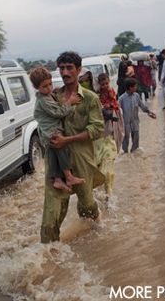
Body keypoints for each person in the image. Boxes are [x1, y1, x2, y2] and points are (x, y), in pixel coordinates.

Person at [40, 51, 105, 243]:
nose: (65, 72)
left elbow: (97, 129)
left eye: (69, 68)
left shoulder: (90, 98)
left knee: (87, 204)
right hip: (57, 164)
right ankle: (49, 251)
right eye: (61, 68)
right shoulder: (52, 97)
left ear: (78, 70)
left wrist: (66, 141)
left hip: (81, 159)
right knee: (52, 212)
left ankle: (97, 232)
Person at [30, 67, 85, 193]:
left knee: (53, 154)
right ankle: (69, 177)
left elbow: (52, 98)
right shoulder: (44, 101)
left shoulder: (46, 96)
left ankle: (57, 180)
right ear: (37, 87)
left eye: (50, 84)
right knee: (61, 149)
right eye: (45, 86)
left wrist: (54, 93)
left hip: (46, 133)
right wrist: (70, 102)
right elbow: (59, 113)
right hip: (52, 132)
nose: (49, 88)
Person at [95, 73, 124, 196]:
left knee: (108, 170)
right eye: (103, 84)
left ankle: (107, 194)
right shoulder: (97, 95)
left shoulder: (111, 92)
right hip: (103, 128)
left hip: (110, 121)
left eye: (107, 83)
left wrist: (109, 106)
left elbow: (115, 104)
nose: (105, 86)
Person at [119, 78, 156, 153]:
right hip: (125, 123)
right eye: (135, 86)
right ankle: (125, 153)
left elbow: (142, 106)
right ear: (130, 87)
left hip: (135, 121)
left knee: (136, 137)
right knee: (125, 139)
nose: (136, 88)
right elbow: (118, 111)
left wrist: (149, 112)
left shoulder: (136, 96)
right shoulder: (121, 99)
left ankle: (134, 153)